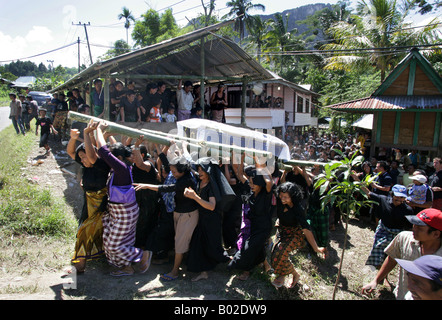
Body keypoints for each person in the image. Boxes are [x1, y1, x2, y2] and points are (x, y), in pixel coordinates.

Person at [91, 120, 152, 276]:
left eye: (113, 155)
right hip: (118, 211)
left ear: (118, 157)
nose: (109, 158)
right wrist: (103, 133)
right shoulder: (118, 168)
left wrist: (99, 129)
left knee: (113, 245)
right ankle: (126, 267)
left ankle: (142, 255)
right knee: (111, 239)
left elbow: (103, 151)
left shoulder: (122, 168)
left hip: (125, 212)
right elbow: (102, 152)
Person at [134, 155, 199, 281]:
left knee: (180, 243)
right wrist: (163, 153)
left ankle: (174, 271)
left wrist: (147, 186)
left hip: (187, 215)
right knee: (179, 240)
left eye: (174, 172)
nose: (172, 174)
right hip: (179, 212)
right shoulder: (182, 173)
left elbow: (167, 188)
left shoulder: (186, 181)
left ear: (182, 171)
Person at [361, 208, 442, 300]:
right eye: (414, 225)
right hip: (403, 295)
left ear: (436, 234)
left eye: (419, 228)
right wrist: (376, 280)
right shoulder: (404, 238)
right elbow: (392, 258)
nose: (414, 229)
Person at [67, 123, 111, 272]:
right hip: (88, 204)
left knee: (88, 232)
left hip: (100, 206)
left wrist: (86, 133)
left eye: (83, 157)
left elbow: (91, 156)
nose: (83, 160)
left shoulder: (101, 164)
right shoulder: (86, 167)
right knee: (84, 231)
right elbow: (71, 152)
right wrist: (73, 138)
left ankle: (80, 265)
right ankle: (80, 265)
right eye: (81, 158)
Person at [271, 182, 327, 289]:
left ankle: (295, 274)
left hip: (294, 234)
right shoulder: (280, 200)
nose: (282, 199)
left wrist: (316, 248)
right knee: (274, 255)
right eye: (281, 196)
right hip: (282, 231)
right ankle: (282, 275)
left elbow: (306, 229)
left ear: (293, 196)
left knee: (280, 252)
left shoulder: (298, 209)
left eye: (286, 197)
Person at [186, 157, 233, 282]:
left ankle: (233, 261)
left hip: (212, 221)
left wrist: (194, 197)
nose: (199, 172)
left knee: (213, 247)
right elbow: (189, 163)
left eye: (202, 170)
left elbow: (211, 206)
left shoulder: (211, 186)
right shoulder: (199, 181)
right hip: (202, 219)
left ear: (208, 171)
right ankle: (204, 272)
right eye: (199, 169)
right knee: (199, 244)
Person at [228, 157, 274, 281]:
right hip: (253, 226)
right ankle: (263, 266)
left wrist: (261, 166)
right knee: (255, 248)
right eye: (250, 182)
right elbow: (239, 174)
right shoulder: (250, 190)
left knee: (248, 249)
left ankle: (244, 270)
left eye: (254, 183)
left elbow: (269, 182)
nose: (252, 185)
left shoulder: (266, 194)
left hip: (264, 227)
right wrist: (241, 156)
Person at [131, 136, 159, 249]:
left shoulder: (148, 164)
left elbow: (140, 165)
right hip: (138, 198)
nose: (131, 157)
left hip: (148, 200)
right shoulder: (133, 164)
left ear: (142, 155)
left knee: (145, 223)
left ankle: (143, 247)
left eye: (134, 154)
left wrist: (136, 146)